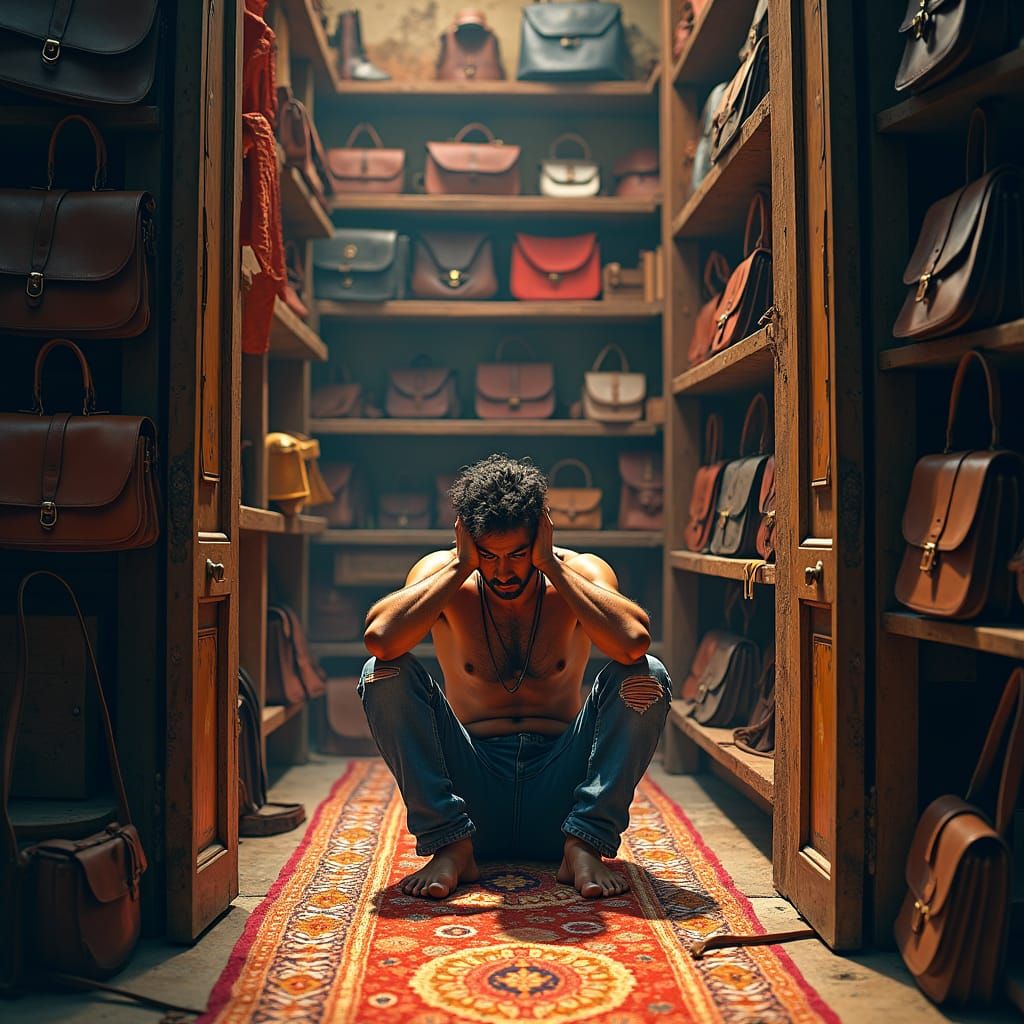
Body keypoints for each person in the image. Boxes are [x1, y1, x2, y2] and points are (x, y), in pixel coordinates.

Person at [360, 454, 672, 901]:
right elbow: (381, 640)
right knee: (381, 674)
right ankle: (451, 846)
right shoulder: (444, 573)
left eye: (518, 554)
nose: (503, 571)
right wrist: (462, 565)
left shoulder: (579, 572)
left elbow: (632, 643)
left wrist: (551, 565)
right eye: (488, 555)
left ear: (541, 534)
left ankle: (584, 844)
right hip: (473, 794)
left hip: (560, 792)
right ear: (466, 538)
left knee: (647, 677)